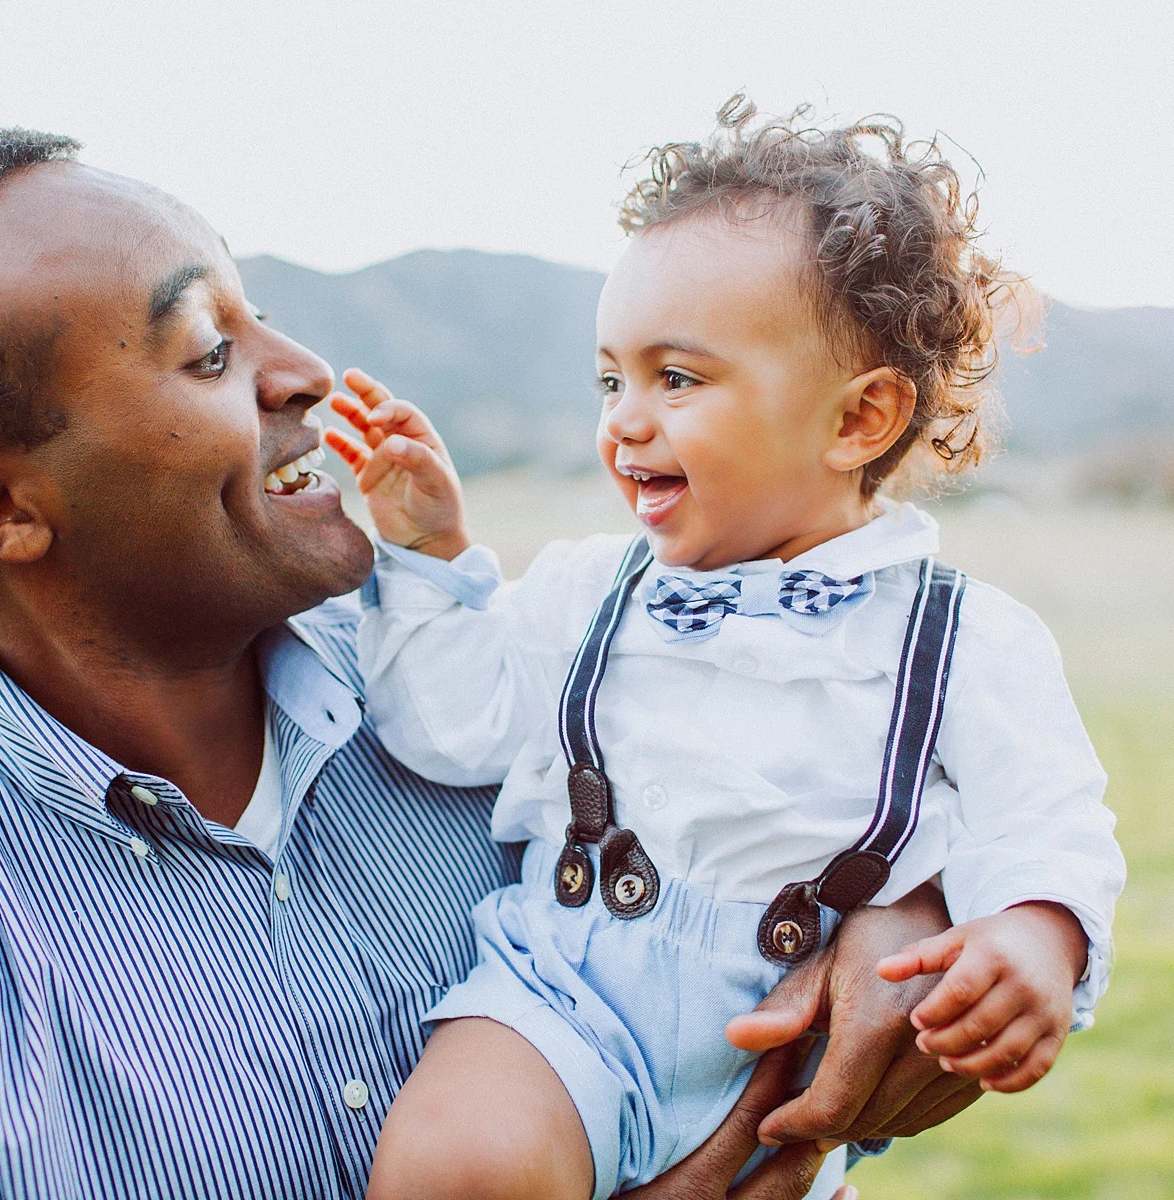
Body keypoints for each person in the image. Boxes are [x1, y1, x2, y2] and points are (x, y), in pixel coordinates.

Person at [0, 125, 983, 1200]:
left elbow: (801, 803)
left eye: (264, 319)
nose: (303, 373)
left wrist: (903, 920)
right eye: (209, 352)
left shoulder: (489, 680)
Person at [326, 98, 1127, 1200]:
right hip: (562, 1008)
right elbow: (450, 728)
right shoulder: (582, 591)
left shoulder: (963, 640)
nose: (625, 419)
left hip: (783, 1070)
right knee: (457, 1168)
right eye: (611, 378)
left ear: (857, 420)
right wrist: (426, 554)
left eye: (678, 378)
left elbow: (1045, 818)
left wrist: (1035, 938)